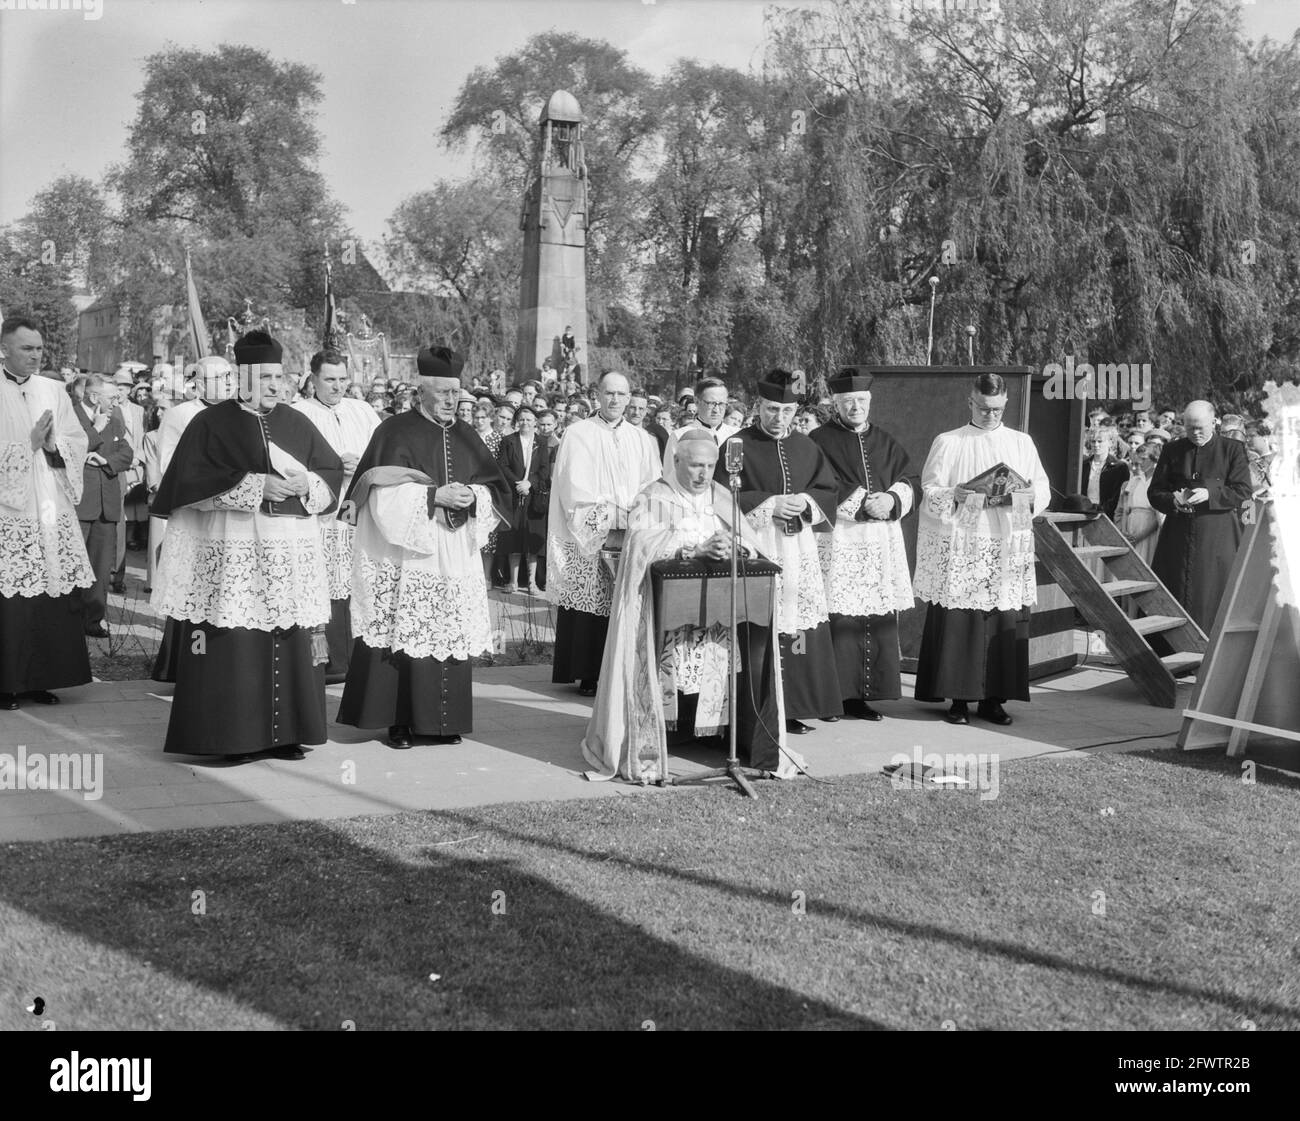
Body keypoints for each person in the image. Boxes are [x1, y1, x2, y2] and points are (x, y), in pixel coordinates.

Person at [150, 330, 344, 759]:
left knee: (290, 638)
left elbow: (329, 470)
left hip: (288, 554)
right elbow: (187, 484)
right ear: (244, 376)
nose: (277, 385)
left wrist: (306, 482)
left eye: (281, 376)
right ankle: (233, 737)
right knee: (235, 641)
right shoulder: (212, 422)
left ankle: (287, 734)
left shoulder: (297, 421)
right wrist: (254, 486)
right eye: (267, 377)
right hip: (234, 550)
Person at [582, 429, 797, 783]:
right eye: (696, 465)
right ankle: (660, 737)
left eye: (711, 466)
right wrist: (694, 549)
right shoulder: (655, 495)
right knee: (671, 665)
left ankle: (718, 734)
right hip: (663, 606)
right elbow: (638, 546)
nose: (704, 474)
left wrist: (736, 547)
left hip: (717, 603)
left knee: (718, 659)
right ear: (676, 461)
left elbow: (750, 539)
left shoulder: (722, 495)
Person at [336, 346, 511, 749]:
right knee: (402, 630)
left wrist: (471, 496)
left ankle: (441, 722)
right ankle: (398, 723)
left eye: (456, 392)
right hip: (407, 554)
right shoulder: (393, 432)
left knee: (448, 634)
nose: (453, 400)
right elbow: (378, 496)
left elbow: (495, 492)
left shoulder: (467, 435)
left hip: (453, 554)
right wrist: (432, 497)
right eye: (444, 392)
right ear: (421, 390)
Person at [913, 372, 1051, 727]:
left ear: (1005, 404)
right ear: (970, 403)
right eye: (984, 408)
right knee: (963, 622)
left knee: (1001, 619)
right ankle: (959, 699)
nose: (991, 415)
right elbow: (928, 489)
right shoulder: (949, 441)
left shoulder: (1021, 442)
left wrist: (1031, 495)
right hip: (965, 544)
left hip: (1005, 543)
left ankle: (994, 700)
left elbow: (1042, 487)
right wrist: (952, 494)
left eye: (997, 409)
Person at [716, 369, 843, 732]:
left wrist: (804, 503)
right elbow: (721, 496)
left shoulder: (806, 446)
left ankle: (793, 706)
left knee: (796, 628)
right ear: (759, 406)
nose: (779, 418)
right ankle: (755, 704)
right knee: (759, 626)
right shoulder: (737, 444)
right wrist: (769, 504)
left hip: (797, 549)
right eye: (772, 410)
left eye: (786, 412)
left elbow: (827, 490)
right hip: (757, 546)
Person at [809, 368, 918, 720]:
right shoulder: (818, 439)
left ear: (869, 402)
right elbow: (818, 483)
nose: (855, 407)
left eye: (861, 401)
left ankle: (862, 696)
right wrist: (859, 503)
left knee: (874, 617)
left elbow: (909, 478)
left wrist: (891, 499)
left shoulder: (885, 440)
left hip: (880, 541)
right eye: (848, 402)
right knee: (838, 619)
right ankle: (832, 697)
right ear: (836, 404)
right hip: (841, 539)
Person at [0, 315, 94, 708]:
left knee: (49, 596)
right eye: (26, 348)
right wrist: (28, 445)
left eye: (39, 348)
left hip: (49, 505)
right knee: (12, 601)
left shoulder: (54, 390)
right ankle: (7, 683)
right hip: (9, 510)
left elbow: (78, 438)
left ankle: (40, 679)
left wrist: (55, 445)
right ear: (4, 348)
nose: (35, 356)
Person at [547, 371, 660, 696]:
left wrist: (640, 511)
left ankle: (626, 669)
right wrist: (609, 514)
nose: (614, 400)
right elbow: (572, 484)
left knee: (626, 601)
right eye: (609, 393)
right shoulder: (578, 433)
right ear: (597, 394)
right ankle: (590, 673)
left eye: (621, 394)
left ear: (630, 398)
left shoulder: (641, 438)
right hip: (593, 533)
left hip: (632, 532)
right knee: (593, 602)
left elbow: (653, 483)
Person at [292, 348, 381, 682]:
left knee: (359, 579)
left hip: (359, 510)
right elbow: (290, 466)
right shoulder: (298, 414)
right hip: (320, 515)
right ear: (312, 379)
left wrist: (363, 465)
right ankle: (326, 660)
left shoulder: (363, 410)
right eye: (329, 379)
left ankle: (361, 658)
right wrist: (330, 468)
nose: (337, 386)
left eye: (343, 379)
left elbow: (382, 453)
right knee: (326, 583)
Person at [1148, 400, 1253, 631]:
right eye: (1190, 427)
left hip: (1217, 539)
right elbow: (1155, 492)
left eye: (1201, 428)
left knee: (1212, 597)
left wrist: (1210, 493)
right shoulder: (1172, 450)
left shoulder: (1232, 449)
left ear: (1214, 422)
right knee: (1173, 594)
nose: (1195, 433)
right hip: (1177, 537)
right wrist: (1172, 500)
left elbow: (1244, 492)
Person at [73, 375, 134, 639]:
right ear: (94, 397)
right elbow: (67, 450)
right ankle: (68, 620)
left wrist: (104, 460)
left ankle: (93, 619)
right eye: (111, 396)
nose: (117, 400)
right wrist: (96, 429)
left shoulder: (116, 419)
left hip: (106, 505)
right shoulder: (71, 415)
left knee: (99, 566)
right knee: (74, 564)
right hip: (79, 504)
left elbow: (127, 454)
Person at [497, 404, 549, 595]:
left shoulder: (541, 443)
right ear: (516, 422)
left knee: (532, 543)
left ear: (535, 422)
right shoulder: (508, 440)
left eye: (529, 419)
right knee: (514, 539)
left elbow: (544, 471)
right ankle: (512, 581)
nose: (525, 423)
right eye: (522, 419)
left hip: (533, 498)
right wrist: (518, 483)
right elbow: (502, 466)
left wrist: (530, 483)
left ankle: (532, 583)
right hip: (514, 496)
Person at [662, 375, 738, 469]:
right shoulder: (680, 436)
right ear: (696, 402)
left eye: (721, 404)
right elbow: (670, 475)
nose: (716, 410)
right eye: (711, 403)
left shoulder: (736, 435)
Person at [1082, 427, 1130, 521]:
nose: (1096, 445)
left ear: (1110, 443)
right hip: (1083, 514)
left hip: (1107, 516)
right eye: (1093, 441)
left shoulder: (1120, 467)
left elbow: (1117, 496)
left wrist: (1101, 511)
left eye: (1100, 441)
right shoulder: (1083, 464)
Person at [626, 387, 668, 457]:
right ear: (626, 408)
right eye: (633, 407)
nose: (636, 412)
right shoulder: (616, 434)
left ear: (646, 411)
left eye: (641, 409)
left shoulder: (651, 440)